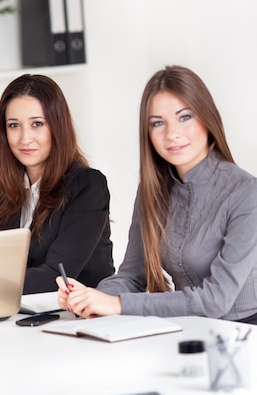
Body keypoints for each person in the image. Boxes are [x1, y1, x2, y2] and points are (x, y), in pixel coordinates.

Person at [56, 65, 257, 324]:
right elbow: (131, 276)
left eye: (185, 117)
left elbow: (216, 300)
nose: (172, 133)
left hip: (246, 336)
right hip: (188, 329)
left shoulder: (246, 193)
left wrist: (116, 304)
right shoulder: (153, 189)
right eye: (158, 123)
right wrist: (89, 298)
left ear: (207, 119)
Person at [0, 74, 114, 294]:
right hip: (19, 314)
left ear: (57, 126)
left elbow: (58, 276)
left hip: (79, 316)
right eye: (14, 125)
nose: (25, 138)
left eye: (37, 124)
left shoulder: (87, 186)